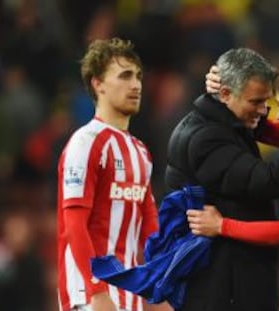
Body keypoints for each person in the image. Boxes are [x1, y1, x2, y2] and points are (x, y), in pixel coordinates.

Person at [165, 48, 279, 311]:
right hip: (224, 285)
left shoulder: (224, 120)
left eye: (267, 102)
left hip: (231, 276)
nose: (264, 111)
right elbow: (265, 181)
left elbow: (257, 123)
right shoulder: (207, 138)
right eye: (256, 102)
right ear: (225, 94)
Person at [57, 38, 166, 311]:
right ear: (98, 84)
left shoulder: (141, 151)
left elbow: (150, 229)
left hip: (128, 297)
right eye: (125, 76)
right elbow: (74, 225)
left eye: (139, 76)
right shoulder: (86, 142)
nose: (136, 85)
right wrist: (97, 291)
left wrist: (162, 288)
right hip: (88, 296)